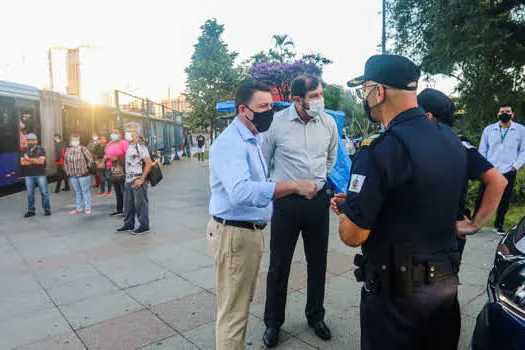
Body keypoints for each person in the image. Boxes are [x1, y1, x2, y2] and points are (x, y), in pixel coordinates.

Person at [331, 55, 468, 350]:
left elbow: (353, 235)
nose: (364, 99)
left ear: (378, 92)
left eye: (364, 90)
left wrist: (347, 209)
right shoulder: (450, 139)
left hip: (397, 299)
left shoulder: (379, 150)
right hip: (444, 289)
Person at [208, 81, 317, 350]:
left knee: (238, 306)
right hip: (235, 234)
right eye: (263, 106)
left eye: (271, 105)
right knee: (233, 313)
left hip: (246, 233)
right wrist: (292, 185)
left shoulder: (252, 137)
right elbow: (241, 191)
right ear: (243, 110)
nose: (269, 111)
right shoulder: (231, 143)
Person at [261, 75, 338, 347]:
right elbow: (264, 160)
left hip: (317, 201)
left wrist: (317, 183)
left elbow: (331, 157)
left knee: (318, 262)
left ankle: (315, 315)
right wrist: (287, 187)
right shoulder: (276, 124)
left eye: (321, 94)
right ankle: (273, 322)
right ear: (297, 99)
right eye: (314, 96)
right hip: (286, 203)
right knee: (279, 264)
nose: (320, 100)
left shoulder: (327, 122)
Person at [417, 88, 508, 257]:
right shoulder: (458, 143)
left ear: (427, 116)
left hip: (440, 239)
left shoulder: (457, 144)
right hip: (438, 237)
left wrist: (474, 225)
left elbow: (498, 182)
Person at [476, 104, 525, 234]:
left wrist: (515, 166)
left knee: (505, 199)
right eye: (502, 111)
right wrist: (484, 166)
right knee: (481, 196)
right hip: (490, 169)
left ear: (512, 114)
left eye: (508, 111)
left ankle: (499, 224)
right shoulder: (489, 130)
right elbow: (482, 149)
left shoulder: (520, 130)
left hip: (509, 170)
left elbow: (523, 150)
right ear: (498, 114)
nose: (505, 113)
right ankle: (474, 223)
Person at [116, 123, 152, 235]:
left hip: (137, 180)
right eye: (127, 130)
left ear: (136, 133)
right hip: (128, 180)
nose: (127, 133)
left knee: (140, 204)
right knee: (128, 205)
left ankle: (144, 225)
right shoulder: (129, 146)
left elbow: (149, 163)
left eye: (130, 131)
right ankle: (128, 224)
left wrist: (141, 180)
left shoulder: (140, 146)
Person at [20, 133, 51, 217]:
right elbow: (22, 162)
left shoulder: (41, 149)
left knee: (44, 192)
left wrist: (29, 159)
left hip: (40, 174)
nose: (30, 142)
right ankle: (31, 210)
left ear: (36, 141)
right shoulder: (24, 150)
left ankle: (47, 209)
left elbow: (41, 161)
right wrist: (34, 160)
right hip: (28, 175)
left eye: (32, 140)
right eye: (29, 140)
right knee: (30, 193)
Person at [64, 134, 94, 215]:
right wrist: (67, 171)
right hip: (73, 175)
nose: (75, 141)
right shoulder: (68, 150)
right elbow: (65, 162)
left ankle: (87, 208)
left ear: (79, 141)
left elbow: (90, 159)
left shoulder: (83, 149)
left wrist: (86, 168)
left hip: (83, 175)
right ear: (70, 141)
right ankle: (79, 208)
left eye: (77, 140)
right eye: (73, 140)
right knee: (77, 192)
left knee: (85, 191)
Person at [104, 128, 129, 216]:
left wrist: (117, 158)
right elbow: (106, 154)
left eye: (116, 133)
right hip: (112, 170)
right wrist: (105, 158)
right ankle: (119, 209)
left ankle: (127, 210)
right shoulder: (110, 143)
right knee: (117, 191)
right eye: (112, 132)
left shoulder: (123, 143)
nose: (113, 134)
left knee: (124, 191)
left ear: (121, 135)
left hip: (121, 169)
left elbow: (128, 155)